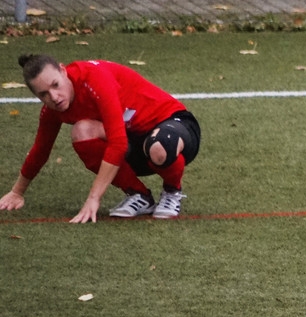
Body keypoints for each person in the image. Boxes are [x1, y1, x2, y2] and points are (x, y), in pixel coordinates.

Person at [0, 54, 201, 222]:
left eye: (56, 85)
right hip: (135, 143)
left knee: (159, 146)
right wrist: (17, 192)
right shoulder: (52, 109)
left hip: (176, 127)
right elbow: (40, 150)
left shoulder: (94, 78)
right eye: (44, 94)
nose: (54, 97)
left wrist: (94, 198)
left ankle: (172, 192)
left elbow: (118, 143)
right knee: (81, 131)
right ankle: (139, 195)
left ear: (63, 70)